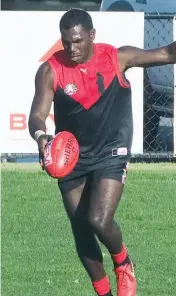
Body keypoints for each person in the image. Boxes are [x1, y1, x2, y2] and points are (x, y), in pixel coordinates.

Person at [28, 8, 176, 296]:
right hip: (72, 156)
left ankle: (123, 263)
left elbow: (167, 54)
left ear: (92, 36)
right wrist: (41, 136)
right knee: (81, 228)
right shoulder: (50, 70)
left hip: (112, 150)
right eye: (67, 42)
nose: (72, 48)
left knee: (98, 219)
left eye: (79, 41)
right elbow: (37, 114)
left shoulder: (116, 58)